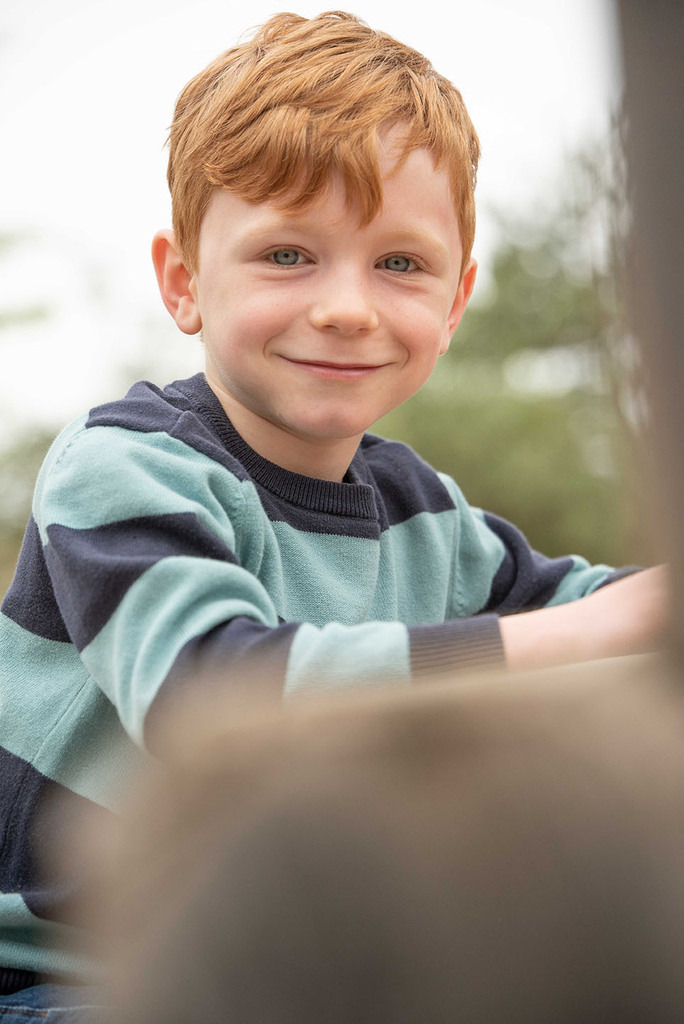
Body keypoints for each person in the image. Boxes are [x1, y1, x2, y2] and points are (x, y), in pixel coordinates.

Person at [0, 10, 667, 1019]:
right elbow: (212, 699)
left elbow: (602, 606)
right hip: (71, 970)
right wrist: (599, 626)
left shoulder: (422, 513)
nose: (347, 305)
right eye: (288, 256)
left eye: (400, 264)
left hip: (288, 955)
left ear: (453, 302)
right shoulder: (123, 467)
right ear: (184, 281)